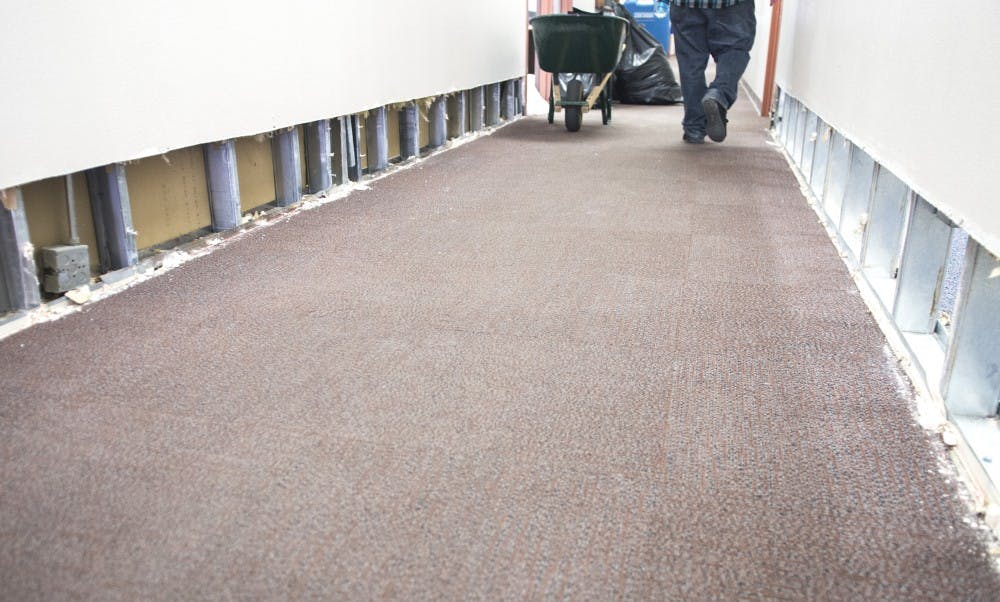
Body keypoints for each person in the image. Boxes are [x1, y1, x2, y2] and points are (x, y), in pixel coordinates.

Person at [667, 0, 766, 144]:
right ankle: (719, 93)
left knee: (690, 62)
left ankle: (694, 128)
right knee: (734, 49)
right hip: (732, 4)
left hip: (685, 4)